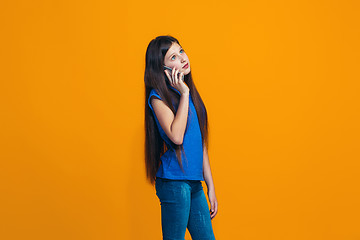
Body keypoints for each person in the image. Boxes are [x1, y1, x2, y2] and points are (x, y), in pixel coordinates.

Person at [144, 35, 218, 240]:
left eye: (182, 51)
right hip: (174, 182)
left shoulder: (190, 96)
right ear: (163, 70)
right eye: (173, 57)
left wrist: (210, 186)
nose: (183, 58)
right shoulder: (158, 98)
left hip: (195, 183)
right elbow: (176, 137)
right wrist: (184, 94)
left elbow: (200, 143)